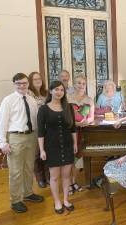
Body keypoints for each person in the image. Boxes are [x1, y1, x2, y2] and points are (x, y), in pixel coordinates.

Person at [0, 73, 44, 213]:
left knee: (29, 168)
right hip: (16, 138)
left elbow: (35, 120)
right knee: (16, 172)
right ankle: (15, 200)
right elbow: (2, 123)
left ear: (28, 83)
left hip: (31, 137)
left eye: (24, 83)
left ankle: (28, 193)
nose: (22, 86)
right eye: (18, 83)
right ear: (14, 84)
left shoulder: (31, 100)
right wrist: (2, 142)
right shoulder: (8, 100)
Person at [37, 80, 78, 214]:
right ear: (50, 91)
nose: (59, 92)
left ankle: (66, 199)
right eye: (56, 89)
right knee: (54, 177)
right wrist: (42, 149)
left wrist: (75, 144)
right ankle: (57, 201)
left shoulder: (69, 107)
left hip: (67, 145)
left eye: (61, 90)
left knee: (66, 175)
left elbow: (73, 128)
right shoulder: (43, 109)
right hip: (51, 146)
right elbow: (41, 132)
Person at [67, 75, 94, 194]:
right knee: (69, 159)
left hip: (83, 133)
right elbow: (64, 116)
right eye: (78, 83)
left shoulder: (89, 100)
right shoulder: (68, 98)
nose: (81, 85)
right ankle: (68, 184)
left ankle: (73, 182)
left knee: (78, 159)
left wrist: (86, 122)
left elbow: (91, 117)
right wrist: (76, 124)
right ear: (74, 84)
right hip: (69, 131)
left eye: (83, 83)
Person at [27, 71, 49, 188]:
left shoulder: (46, 93)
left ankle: (47, 175)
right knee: (37, 154)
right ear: (31, 81)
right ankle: (40, 178)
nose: (38, 81)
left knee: (47, 152)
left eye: (39, 79)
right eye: (35, 79)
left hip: (47, 127)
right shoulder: (29, 93)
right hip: (35, 127)